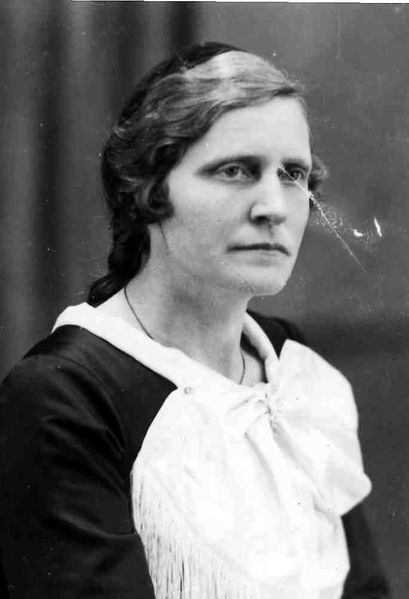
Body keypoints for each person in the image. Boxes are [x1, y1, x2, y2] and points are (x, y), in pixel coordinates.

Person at [0, 42, 390, 599]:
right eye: (235, 170)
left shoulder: (291, 369)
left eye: (293, 174)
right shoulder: (66, 395)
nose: (274, 206)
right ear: (148, 189)